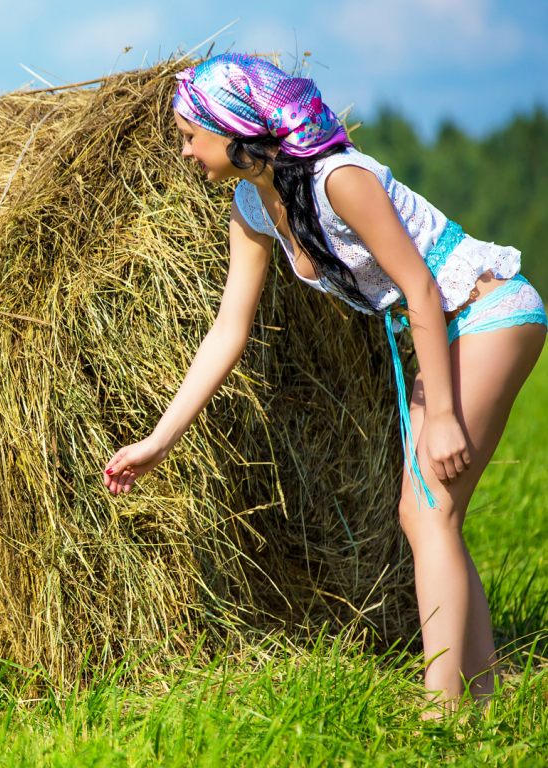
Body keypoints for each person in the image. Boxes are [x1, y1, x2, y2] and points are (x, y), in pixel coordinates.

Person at [102, 53, 545, 714]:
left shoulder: (338, 177)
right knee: (427, 516)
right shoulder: (252, 204)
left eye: (191, 135)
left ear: (233, 128)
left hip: (487, 311)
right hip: (438, 334)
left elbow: (421, 286)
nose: (187, 152)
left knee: (428, 512)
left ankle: (442, 712)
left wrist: (445, 413)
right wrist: (159, 440)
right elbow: (227, 332)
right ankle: (478, 698)